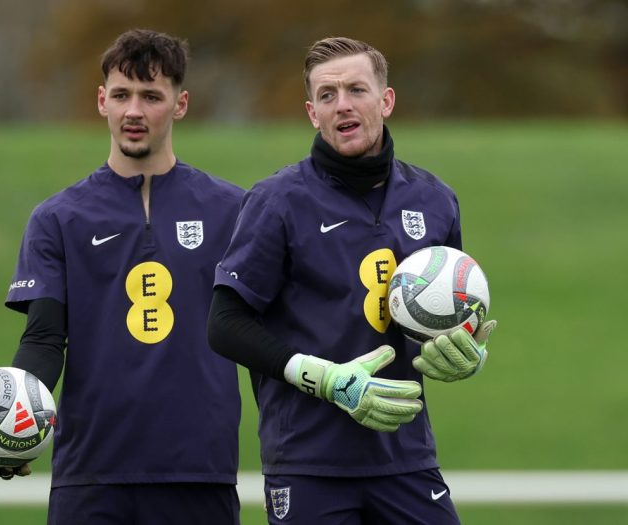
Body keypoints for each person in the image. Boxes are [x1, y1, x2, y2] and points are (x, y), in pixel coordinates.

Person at [0, 28, 244, 524]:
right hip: (91, 475)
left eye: (151, 96)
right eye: (122, 94)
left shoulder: (234, 210)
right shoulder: (59, 218)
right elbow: (44, 339)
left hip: (199, 471)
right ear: (101, 101)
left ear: (181, 104)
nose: (134, 111)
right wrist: (8, 422)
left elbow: (259, 331)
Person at [208, 36, 497, 524]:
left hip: (405, 456)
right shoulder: (277, 201)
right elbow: (224, 323)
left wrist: (462, 353)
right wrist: (324, 379)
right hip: (308, 462)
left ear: (385, 101)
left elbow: (445, 316)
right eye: (327, 95)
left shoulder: (436, 200)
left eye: (356, 90)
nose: (342, 104)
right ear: (311, 113)